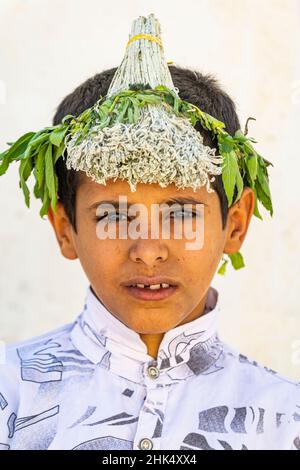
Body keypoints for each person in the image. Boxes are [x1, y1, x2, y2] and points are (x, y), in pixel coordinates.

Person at [0, 14, 299, 451]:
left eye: (180, 213)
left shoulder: (286, 422)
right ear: (65, 228)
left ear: (235, 224)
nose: (148, 250)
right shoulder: (11, 395)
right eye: (113, 216)